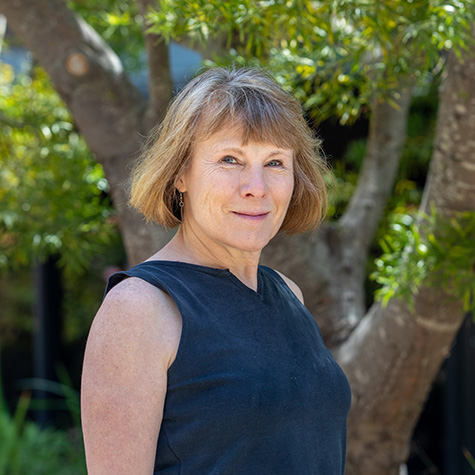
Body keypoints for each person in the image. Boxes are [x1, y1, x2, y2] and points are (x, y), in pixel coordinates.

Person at [81, 67, 351, 475]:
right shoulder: (139, 309)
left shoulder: (288, 295)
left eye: (275, 162)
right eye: (230, 159)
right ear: (180, 173)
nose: (256, 186)